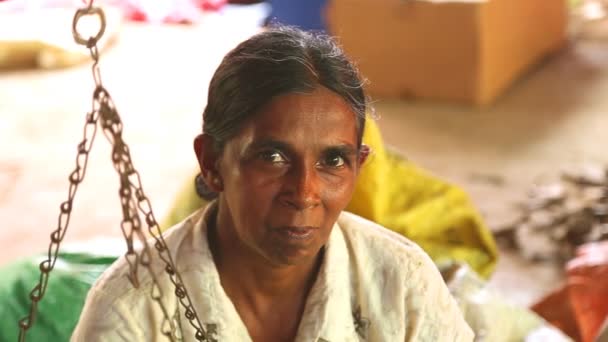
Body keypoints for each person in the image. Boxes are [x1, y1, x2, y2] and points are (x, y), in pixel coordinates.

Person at [72, 26, 473, 341]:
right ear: (212, 162)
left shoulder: (401, 281)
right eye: (273, 157)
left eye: (332, 160)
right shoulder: (131, 310)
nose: (304, 194)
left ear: (359, 165)